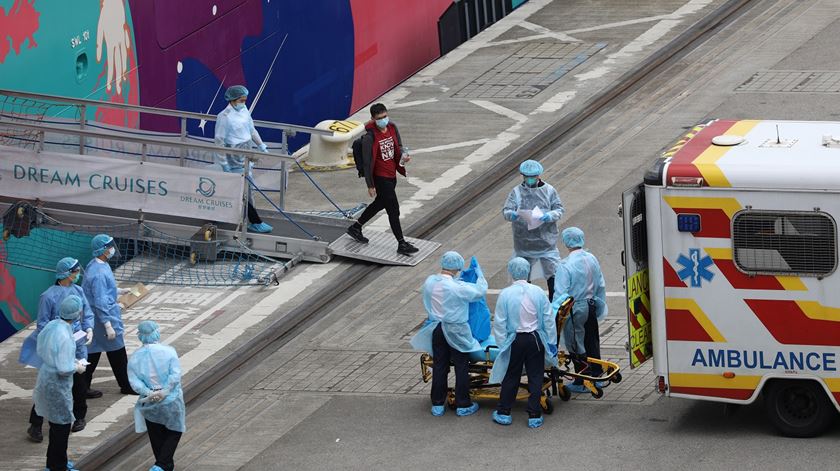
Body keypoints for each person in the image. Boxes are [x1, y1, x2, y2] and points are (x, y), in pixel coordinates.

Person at [20, 257, 96, 441]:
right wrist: (60, 334)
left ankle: (79, 416)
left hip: (78, 346)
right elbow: (42, 324)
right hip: (58, 349)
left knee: (79, 385)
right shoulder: (48, 296)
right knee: (48, 388)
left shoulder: (78, 291)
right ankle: (36, 424)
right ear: (66, 273)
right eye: (75, 271)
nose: (77, 274)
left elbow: (87, 312)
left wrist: (89, 328)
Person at [410, 251, 485, 417]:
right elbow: (478, 293)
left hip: (437, 328)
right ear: (457, 267)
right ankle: (463, 404)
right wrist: (480, 276)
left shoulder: (430, 281)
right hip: (456, 330)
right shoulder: (457, 288)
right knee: (461, 366)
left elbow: (446, 287)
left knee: (440, 365)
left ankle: (437, 403)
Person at [489, 257, 558, 428]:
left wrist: (502, 344)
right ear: (527, 272)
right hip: (535, 338)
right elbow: (548, 319)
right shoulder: (538, 291)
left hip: (515, 340)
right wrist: (551, 342)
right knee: (535, 375)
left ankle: (504, 412)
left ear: (511, 272)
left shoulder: (505, 294)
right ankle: (534, 414)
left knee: (511, 375)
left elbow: (499, 322)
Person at [345, 103, 419, 256]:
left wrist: (404, 157)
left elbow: (399, 146)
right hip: (380, 178)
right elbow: (367, 162)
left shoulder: (392, 127)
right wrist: (370, 185)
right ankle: (401, 243)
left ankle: (356, 227)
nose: (383, 120)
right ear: (373, 119)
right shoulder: (370, 137)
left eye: (385, 116)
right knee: (393, 209)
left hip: (392, 174)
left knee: (380, 203)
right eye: (379, 118)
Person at [33, 295, 87, 471]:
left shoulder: (52, 325)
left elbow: (42, 349)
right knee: (61, 429)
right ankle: (58, 466)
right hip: (57, 384)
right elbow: (64, 368)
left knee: (56, 427)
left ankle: (54, 463)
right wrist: (77, 366)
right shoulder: (65, 334)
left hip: (46, 377)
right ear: (77, 313)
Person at [551, 227, 608, 394]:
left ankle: (582, 380)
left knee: (576, 344)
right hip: (591, 304)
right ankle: (597, 374)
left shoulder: (565, 265)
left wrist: (552, 313)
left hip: (575, 308)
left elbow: (561, 294)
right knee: (592, 339)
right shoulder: (591, 258)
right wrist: (599, 303)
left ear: (566, 242)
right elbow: (600, 283)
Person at [214, 84, 273, 234]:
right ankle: (254, 221)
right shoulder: (224, 117)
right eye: (241, 100)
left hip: (246, 150)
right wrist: (224, 164)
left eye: (245, 100)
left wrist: (261, 145)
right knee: (242, 189)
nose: (243, 102)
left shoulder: (244, 110)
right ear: (233, 99)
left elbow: (251, 129)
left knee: (248, 187)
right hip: (233, 154)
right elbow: (219, 142)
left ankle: (247, 219)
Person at [502, 160, 564, 301]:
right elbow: (506, 211)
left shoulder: (549, 191)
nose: (530, 179)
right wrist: (513, 214)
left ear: (539, 175)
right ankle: (526, 306)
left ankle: (553, 307)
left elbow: (559, 209)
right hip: (523, 245)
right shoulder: (516, 192)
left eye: (533, 176)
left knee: (554, 278)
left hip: (546, 244)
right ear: (522, 176)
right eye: (527, 176)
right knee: (522, 280)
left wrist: (549, 216)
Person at [128, 321, 186, 471]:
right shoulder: (168, 351)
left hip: (149, 402)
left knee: (156, 434)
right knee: (175, 430)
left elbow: (135, 382)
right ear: (156, 333)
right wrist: (165, 391)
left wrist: (149, 393)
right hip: (171, 398)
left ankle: (164, 465)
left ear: (140, 336)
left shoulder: (135, 357)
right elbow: (175, 375)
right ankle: (161, 465)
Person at [83, 234, 136, 396]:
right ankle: (126, 385)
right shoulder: (98, 273)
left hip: (96, 317)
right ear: (103, 250)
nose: (112, 249)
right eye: (109, 246)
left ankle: (83, 387)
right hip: (103, 318)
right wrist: (107, 324)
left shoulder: (97, 265)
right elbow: (99, 300)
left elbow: (103, 291)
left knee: (93, 351)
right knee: (117, 352)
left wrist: (119, 291)